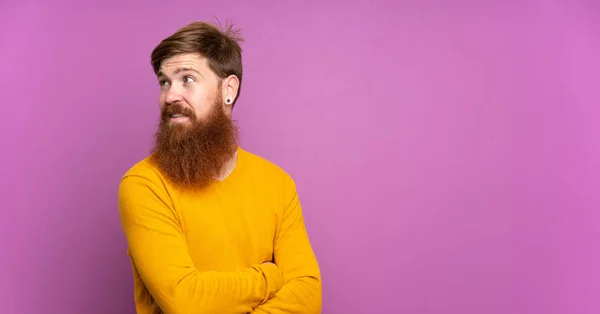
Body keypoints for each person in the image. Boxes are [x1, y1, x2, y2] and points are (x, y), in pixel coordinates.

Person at [117, 21, 322, 314]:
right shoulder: (144, 184)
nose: (170, 95)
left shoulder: (278, 184)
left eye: (187, 79)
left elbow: (308, 295)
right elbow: (186, 300)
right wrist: (270, 277)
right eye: (164, 82)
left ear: (229, 89)